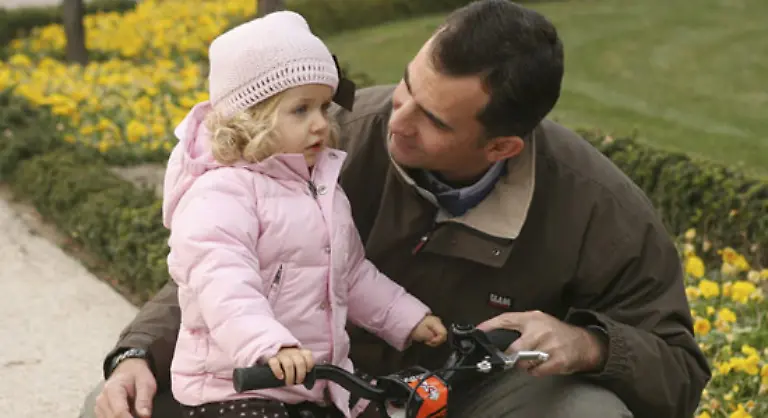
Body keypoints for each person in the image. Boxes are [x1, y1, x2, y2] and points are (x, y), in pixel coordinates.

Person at [83, 1, 712, 417]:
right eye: (408, 85)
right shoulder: (332, 135)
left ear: (501, 147)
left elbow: (679, 368)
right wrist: (135, 352)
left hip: (463, 402)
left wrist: (592, 345)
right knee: (109, 408)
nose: (397, 121)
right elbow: (220, 265)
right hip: (320, 393)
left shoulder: (598, 208)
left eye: (432, 120)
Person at [128, 10, 449, 418]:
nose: (321, 124)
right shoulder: (220, 193)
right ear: (251, 117)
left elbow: (351, 275)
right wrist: (269, 345)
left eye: (324, 107)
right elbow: (224, 285)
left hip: (315, 382)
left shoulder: (319, 188)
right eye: (301, 110)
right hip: (236, 385)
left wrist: (407, 319)